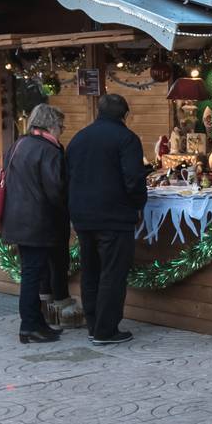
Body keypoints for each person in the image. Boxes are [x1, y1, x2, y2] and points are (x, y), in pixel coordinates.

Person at [66, 93, 147, 345]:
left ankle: (93, 324)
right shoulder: (126, 139)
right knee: (112, 273)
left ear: (99, 112)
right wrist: (137, 205)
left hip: (82, 216)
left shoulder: (78, 139)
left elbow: (67, 177)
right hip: (114, 216)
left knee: (90, 271)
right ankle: (106, 330)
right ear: (125, 115)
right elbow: (134, 180)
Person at [3, 104, 71, 344]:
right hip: (39, 221)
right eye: (60, 126)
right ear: (50, 125)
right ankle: (29, 325)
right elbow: (56, 190)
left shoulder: (18, 145)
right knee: (33, 274)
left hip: (18, 219)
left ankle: (37, 322)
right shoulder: (49, 150)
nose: (61, 130)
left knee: (32, 272)